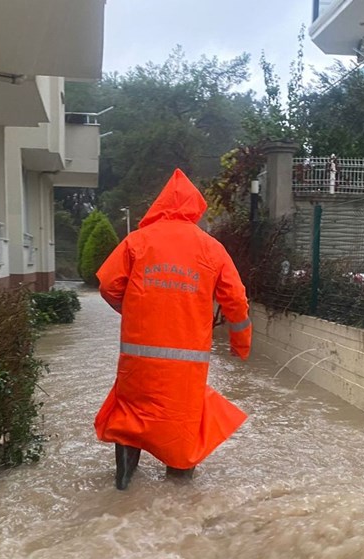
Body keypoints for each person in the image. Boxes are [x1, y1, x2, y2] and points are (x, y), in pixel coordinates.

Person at [94, 168, 252, 490]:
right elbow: (235, 300)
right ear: (195, 209)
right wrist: (241, 344)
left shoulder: (137, 242)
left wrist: (132, 311)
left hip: (138, 360)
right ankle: (177, 499)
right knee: (182, 422)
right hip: (187, 365)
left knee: (130, 415)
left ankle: (123, 483)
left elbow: (109, 285)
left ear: (160, 205)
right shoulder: (211, 248)